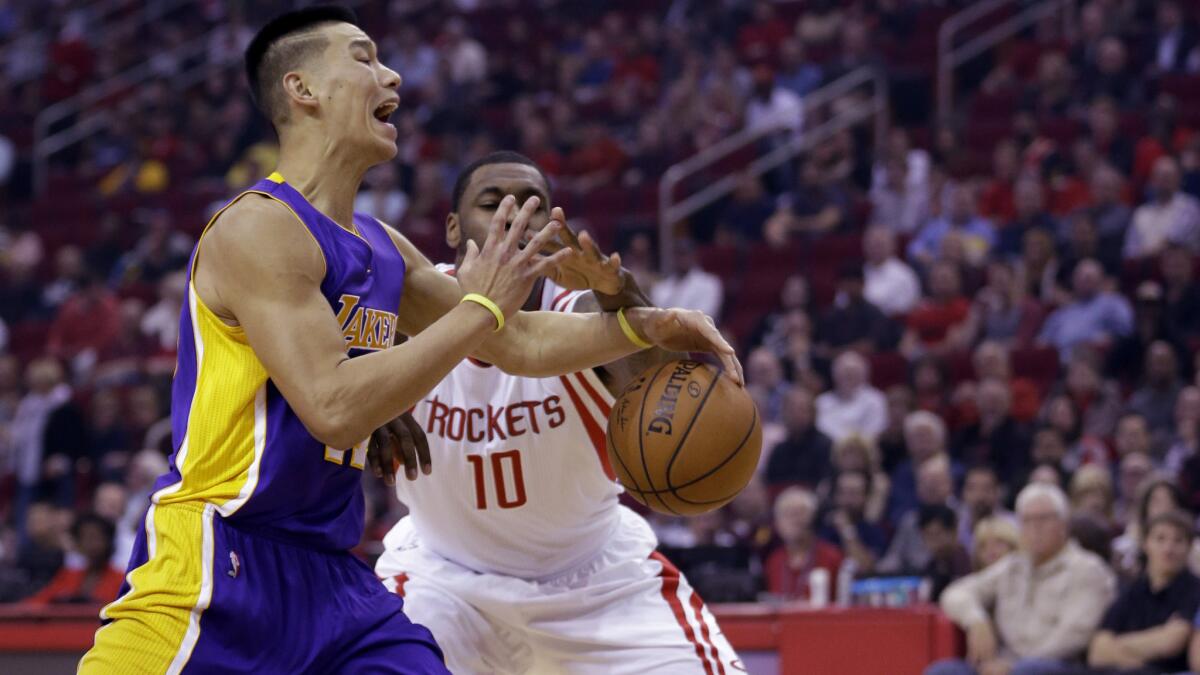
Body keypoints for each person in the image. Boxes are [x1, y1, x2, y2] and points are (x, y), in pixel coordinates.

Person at [81, 8, 739, 673]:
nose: (391, 73)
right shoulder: (258, 228)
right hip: (221, 556)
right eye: (364, 58)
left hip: (334, 579)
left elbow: (518, 343)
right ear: (303, 89)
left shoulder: (380, 246)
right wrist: (481, 303)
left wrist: (636, 323)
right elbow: (334, 405)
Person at [373, 152, 741, 672]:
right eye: (492, 204)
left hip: (594, 582)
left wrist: (621, 294)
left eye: (533, 208)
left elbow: (656, 379)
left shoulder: (583, 314)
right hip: (443, 581)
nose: (514, 219)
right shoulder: (402, 308)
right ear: (453, 228)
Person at [927, 484, 1116, 675]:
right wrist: (977, 621)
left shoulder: (1088, 569)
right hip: (1007, 664)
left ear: (1063, 524)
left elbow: (1075, 635)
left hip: (1057, 666)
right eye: (1027, 520)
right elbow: (956, 592)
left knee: (1030, 670)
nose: (1035, 528)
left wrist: (1012, 666)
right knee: (943, 671)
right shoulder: (1013, 566)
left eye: (1043, 519)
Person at [1089, 511, 1200, 675]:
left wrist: (1116, 645)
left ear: (1189, 547)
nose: (1168, 548)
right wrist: (1141, 666)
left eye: (1178, 541)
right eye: (1160, 539)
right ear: (1145, 543)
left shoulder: (1194, 589)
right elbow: (1097, 651)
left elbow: (1171, 642)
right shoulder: (1132, 589)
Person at [1037, 259, 1134, 362]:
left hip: (1096, 363)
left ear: (1101, 280)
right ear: (1073, 280)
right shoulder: (1061, 314)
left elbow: (1126, 332)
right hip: (1062, 366)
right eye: (1080, 277)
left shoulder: (1113, 303)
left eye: (1088, 278)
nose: (1083, 281)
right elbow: (1042, 344)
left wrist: (1108, 339)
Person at [23, 513, 125, 606]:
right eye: (85, 538)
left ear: (108, 541)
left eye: (96, 537)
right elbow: (39, 601)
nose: (91, 544)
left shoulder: (121, 579)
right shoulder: (68, 575)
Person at [764, 486, 843, 602]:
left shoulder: (831, 556)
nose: (794, 521)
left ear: (813, 518)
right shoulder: (774, 560)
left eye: (799, 513)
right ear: (777, 523)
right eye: (787, 514)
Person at [815, 351, 888, 444]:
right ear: (834, 375)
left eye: (853, 372)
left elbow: (875, 431)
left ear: (864, 375)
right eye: (844, 373)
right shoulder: (822, 402)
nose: (848, 377)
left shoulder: (875, 400)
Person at [862, 225, 921, 317]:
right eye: (872, 245)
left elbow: (907, 308)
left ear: (893, 246)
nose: (876, 249)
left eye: (880, 245)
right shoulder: (858, 272)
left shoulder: (904, 274)